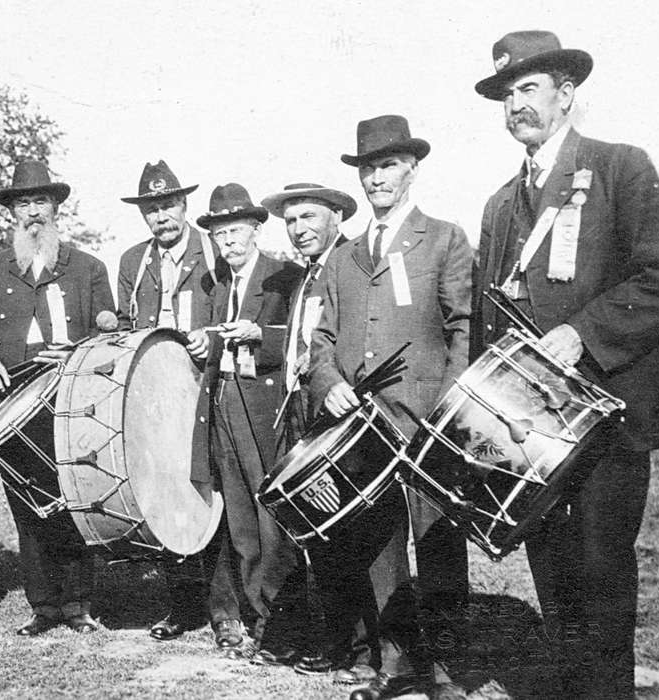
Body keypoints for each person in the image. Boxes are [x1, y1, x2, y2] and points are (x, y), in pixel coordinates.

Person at [472, 31, 659, 698]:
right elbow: (491, 318)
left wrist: (583, 334)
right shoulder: (499, 205)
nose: (515, 105)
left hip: (609, 418)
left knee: (602, 576)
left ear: (566, 94)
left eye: (527, 89)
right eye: (506, 95)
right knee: (554, 576)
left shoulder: (621, 168)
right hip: (535, 436)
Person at [306, 115, 472, 698]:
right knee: (376, 544)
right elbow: (320, 341)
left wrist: (449, 406)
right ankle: (395, 665)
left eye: (388, 166)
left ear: (411, 170)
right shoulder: (343, 256)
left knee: (438, 542)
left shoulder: (445, 238)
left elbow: (464, 328)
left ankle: (448, 668)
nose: (376, 178)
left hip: (429, 420)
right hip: (362, 428)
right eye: (368, 168)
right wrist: (328, 384)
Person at [0, 160, 115, 636]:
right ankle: (43, 606)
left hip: (68, 397)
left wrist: (80, 351)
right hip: (10, 401)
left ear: (55, 208)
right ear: (12, 212)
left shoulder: (87, 268)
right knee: (25, 502)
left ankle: (77, 604)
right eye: (23, 203)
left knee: (72, 497)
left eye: (40, 202)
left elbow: (110, 333)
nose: (32, 212)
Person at [114, 160, 242, 649]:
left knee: (210, 493)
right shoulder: (133, 262)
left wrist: (211, 341)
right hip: (154, 395)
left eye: (168, 205)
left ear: (184, 205)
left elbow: (234, 309)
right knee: (163, 491)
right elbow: (128, 327)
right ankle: (181, 603)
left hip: (207, 388)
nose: (161, 216)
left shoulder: (213, 251)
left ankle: (225, 611)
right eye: (152, 208)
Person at [185, 183, 300, 659]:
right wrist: (202, 343)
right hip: (224, 405)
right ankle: (258, 619)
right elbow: (218, 343)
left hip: (266, 409)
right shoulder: (218, 285)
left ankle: (285, 623)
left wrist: (262, 335)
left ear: (255, 229)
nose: (228, 241)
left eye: (235, 231)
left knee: (273, 514)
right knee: (239, 519)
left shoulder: (284, 277)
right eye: (218, 234)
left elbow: (301, 338)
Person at [255, 182, 356, 668]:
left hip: (335, 410)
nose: (299, 230)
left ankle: (345, 646)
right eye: (291, 221)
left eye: (309, 218)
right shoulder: (305, 275)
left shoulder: (350, 263)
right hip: (298, 407)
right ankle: (316, 635)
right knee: (307, 526)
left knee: (339, 528)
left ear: (336, 216)